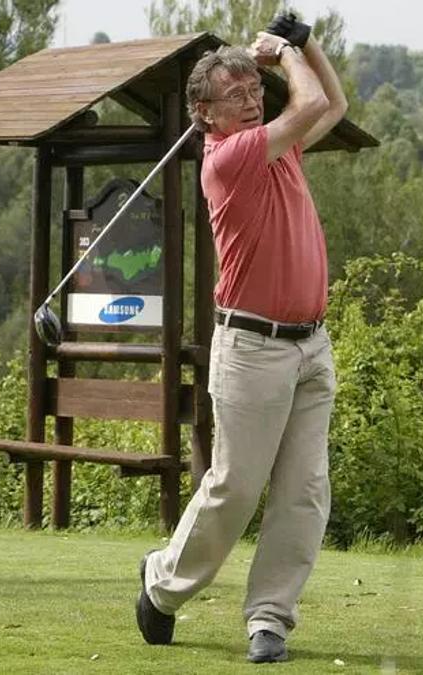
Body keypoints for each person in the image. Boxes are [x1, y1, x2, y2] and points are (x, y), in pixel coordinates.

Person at [135, 24, 348, 664]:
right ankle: (162, 583)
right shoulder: (228, 159)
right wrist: (283, 54)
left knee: (304, 491)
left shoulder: (280, 150)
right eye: (236, 94)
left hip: (311, 346)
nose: (253, 99)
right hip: (252, 348)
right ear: (205, 114)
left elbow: (332, 106)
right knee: (234, 487)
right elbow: (307, 105)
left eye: (255, 88)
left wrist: (307, 45)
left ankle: (269, 620)